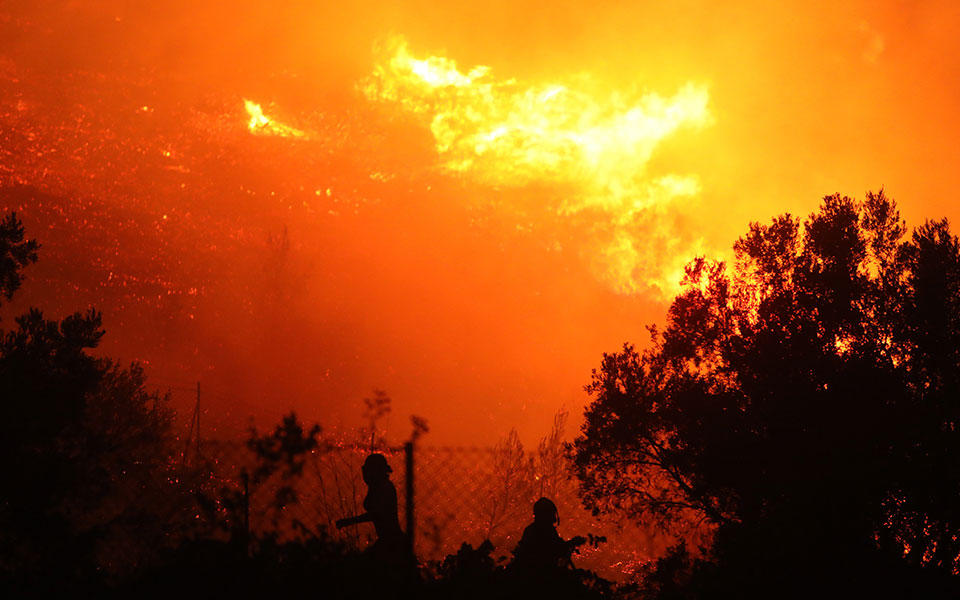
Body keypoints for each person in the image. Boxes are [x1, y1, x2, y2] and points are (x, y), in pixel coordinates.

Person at [336, 453, 416, 595]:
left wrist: (349, 521)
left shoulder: (385, 488)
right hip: (387, 541)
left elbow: (376, 514)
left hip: (393, 542)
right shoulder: (378, 487)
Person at [512, 497, 585, 574]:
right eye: (551, 513)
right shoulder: (544, 531)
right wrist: (572, 543)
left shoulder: (532, 530)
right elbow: (556, 548)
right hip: (542, 574)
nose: (553, 516)